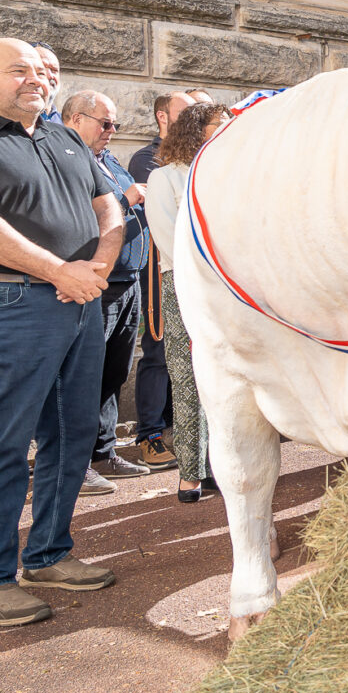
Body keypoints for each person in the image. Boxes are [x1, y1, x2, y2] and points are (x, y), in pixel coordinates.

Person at [0, 38, 123, 627]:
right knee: (2, 441)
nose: (36, 79)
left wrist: (96, 267)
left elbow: (109, 205)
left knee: (73, 434)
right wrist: (59, 271)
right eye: (17, 70)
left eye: (40, 72)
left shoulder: (63, 136)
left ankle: (48, 554)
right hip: (5, 301)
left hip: (80, 297)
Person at [61, 90, 162, 487]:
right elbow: (74, 217)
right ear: (76, 119)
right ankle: (73, 465)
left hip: (127, 281)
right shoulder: (67, 159)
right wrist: (126, 196)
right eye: (104, 123)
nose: (112, 130)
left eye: (114, 123)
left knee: (113, 374)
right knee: (82, 376)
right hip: (95, 286)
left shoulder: (108, 159)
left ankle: (103, 454)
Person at [145, 102, 232, 501]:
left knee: (226, 378)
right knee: (187, 378)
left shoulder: (227, 175)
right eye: (219, 124)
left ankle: (220, 465)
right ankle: (191, 472)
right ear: (197, 130)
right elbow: (168, 239)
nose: (227, 129)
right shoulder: (165, 177)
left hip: (232, 290)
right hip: (185, 285)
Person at [126, 91, 197, 474]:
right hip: (161, 268)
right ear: (162, 117)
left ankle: (180, 429)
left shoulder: (200, 157)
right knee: (157, 349)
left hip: (195, 269)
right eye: (185, 112)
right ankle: (150, 433)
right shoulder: (147, 159)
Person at [34, 43, 62, 121]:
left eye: (54, 70)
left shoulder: (67, 124)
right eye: (42, 68)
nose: (50, 76)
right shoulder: (9, 121)